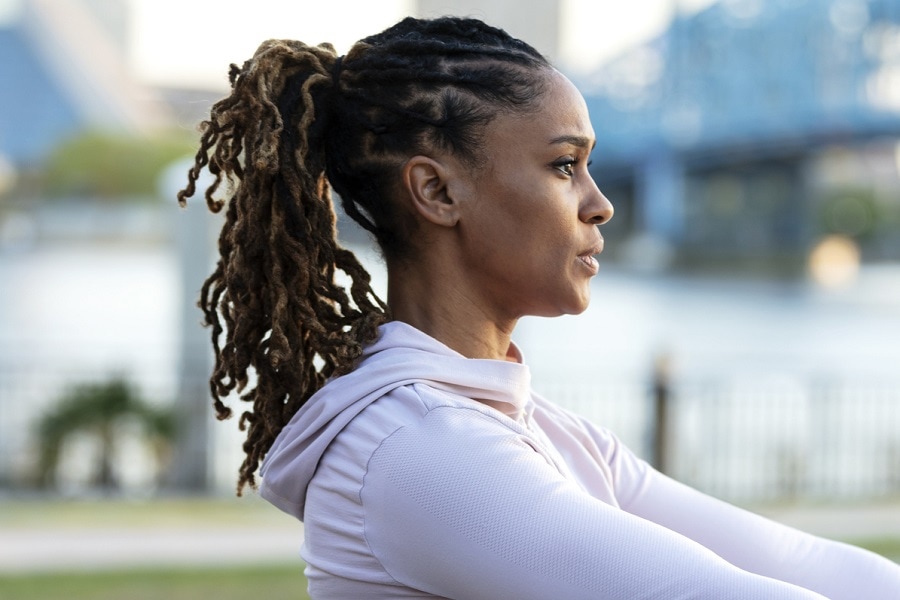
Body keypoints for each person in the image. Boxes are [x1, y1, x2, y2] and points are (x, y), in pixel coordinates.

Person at [178, 16, 900, 599]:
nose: (602, 203)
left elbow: (808, 564)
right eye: (564, 166)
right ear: (438, 193)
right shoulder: (411, 449)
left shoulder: (540, 430)